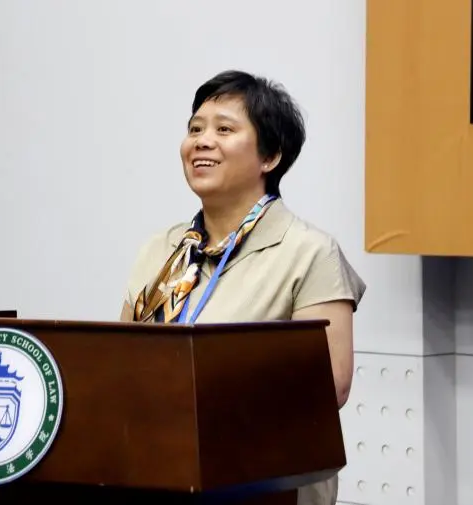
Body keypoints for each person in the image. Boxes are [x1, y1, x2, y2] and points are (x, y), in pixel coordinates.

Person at [120, 70, 366, 505]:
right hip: (160, 471)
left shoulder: (308, 251)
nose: (202, 141)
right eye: (195, 129)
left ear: (270, 156)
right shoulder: (160, 249)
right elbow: (118, 364)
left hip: (264, 484)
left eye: (224, 129)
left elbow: (329, 385)